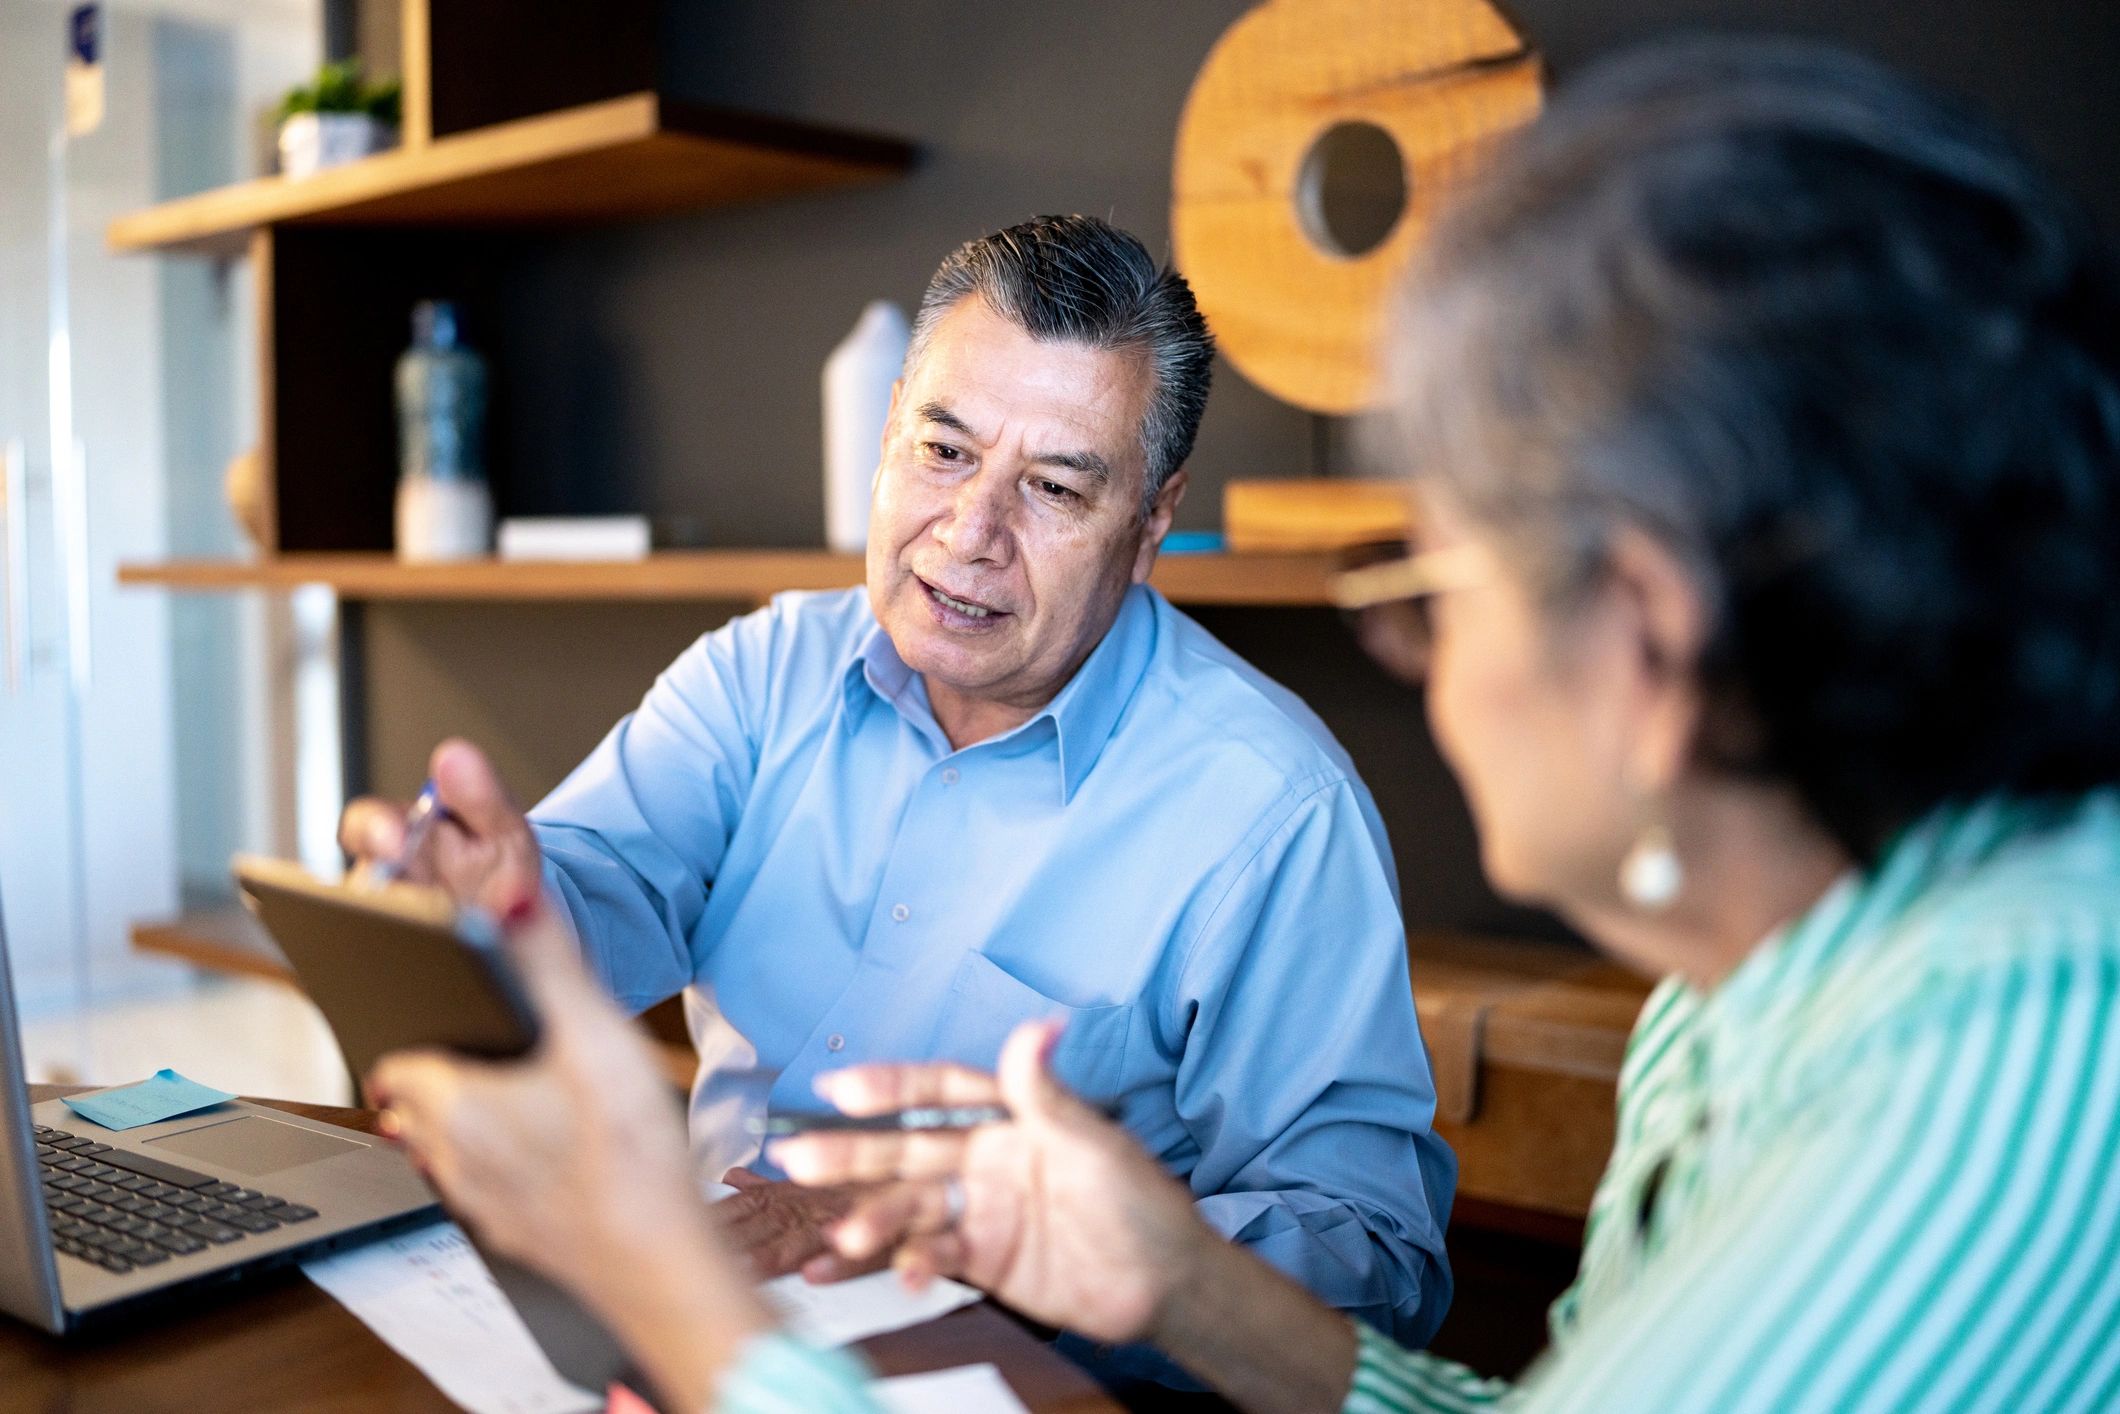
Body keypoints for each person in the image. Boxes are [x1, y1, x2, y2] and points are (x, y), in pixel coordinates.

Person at [370, 36, 2120, 1413]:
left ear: (1645, 631)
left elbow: (1376, 1242)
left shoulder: (2002, 1051)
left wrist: (670, 1279)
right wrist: (1166, 1268)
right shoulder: (1727, 1001)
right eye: (941, 448)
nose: (1418, 657)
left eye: (1439, 574)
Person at [341, 214, 1455, 1360]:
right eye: (944, 450)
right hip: (688, 1327)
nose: (970, 531)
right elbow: (587, 896)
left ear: (1151, 517)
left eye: (1056, 489)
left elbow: (1376, 1259)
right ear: (886, 434)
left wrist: (994, 1236)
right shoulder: (762, 672)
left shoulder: (1271, 809)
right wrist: (489, 914)